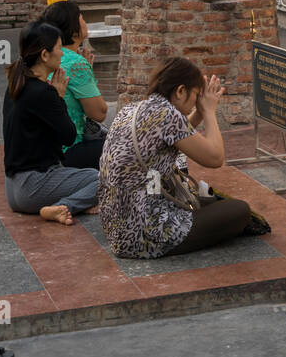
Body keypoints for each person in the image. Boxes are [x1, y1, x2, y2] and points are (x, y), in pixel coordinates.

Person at [98, 57, 252, 259]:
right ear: (180, 91)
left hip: (119, 229)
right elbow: (215, 158)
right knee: (240, 210)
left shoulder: (133, 108)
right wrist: (209, 112)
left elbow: (177, 135)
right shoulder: (167, 115)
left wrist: (197, 111)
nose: (197, 101)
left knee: (208, 200)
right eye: (195, 95)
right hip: (146, 235)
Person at [2, 21, 100, 225]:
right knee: (102, 179)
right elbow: (69, 136)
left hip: (13, 188)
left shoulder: (16, 85)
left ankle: (67, 202)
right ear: (45, 55)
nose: (62, 54)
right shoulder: (43, 92)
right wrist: (59, 97)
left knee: (86, 176)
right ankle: (65, 206)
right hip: (33, 186)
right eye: (58, 48)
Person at [39, 0, 108, 170]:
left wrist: (86, 76)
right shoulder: (76, 63)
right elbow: (99, 113)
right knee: (129, 147)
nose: (85, 23)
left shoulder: (46, 56)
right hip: (67, 150)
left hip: (41, 148)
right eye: (82, 18)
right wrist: (86, 75)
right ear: (74, 29)